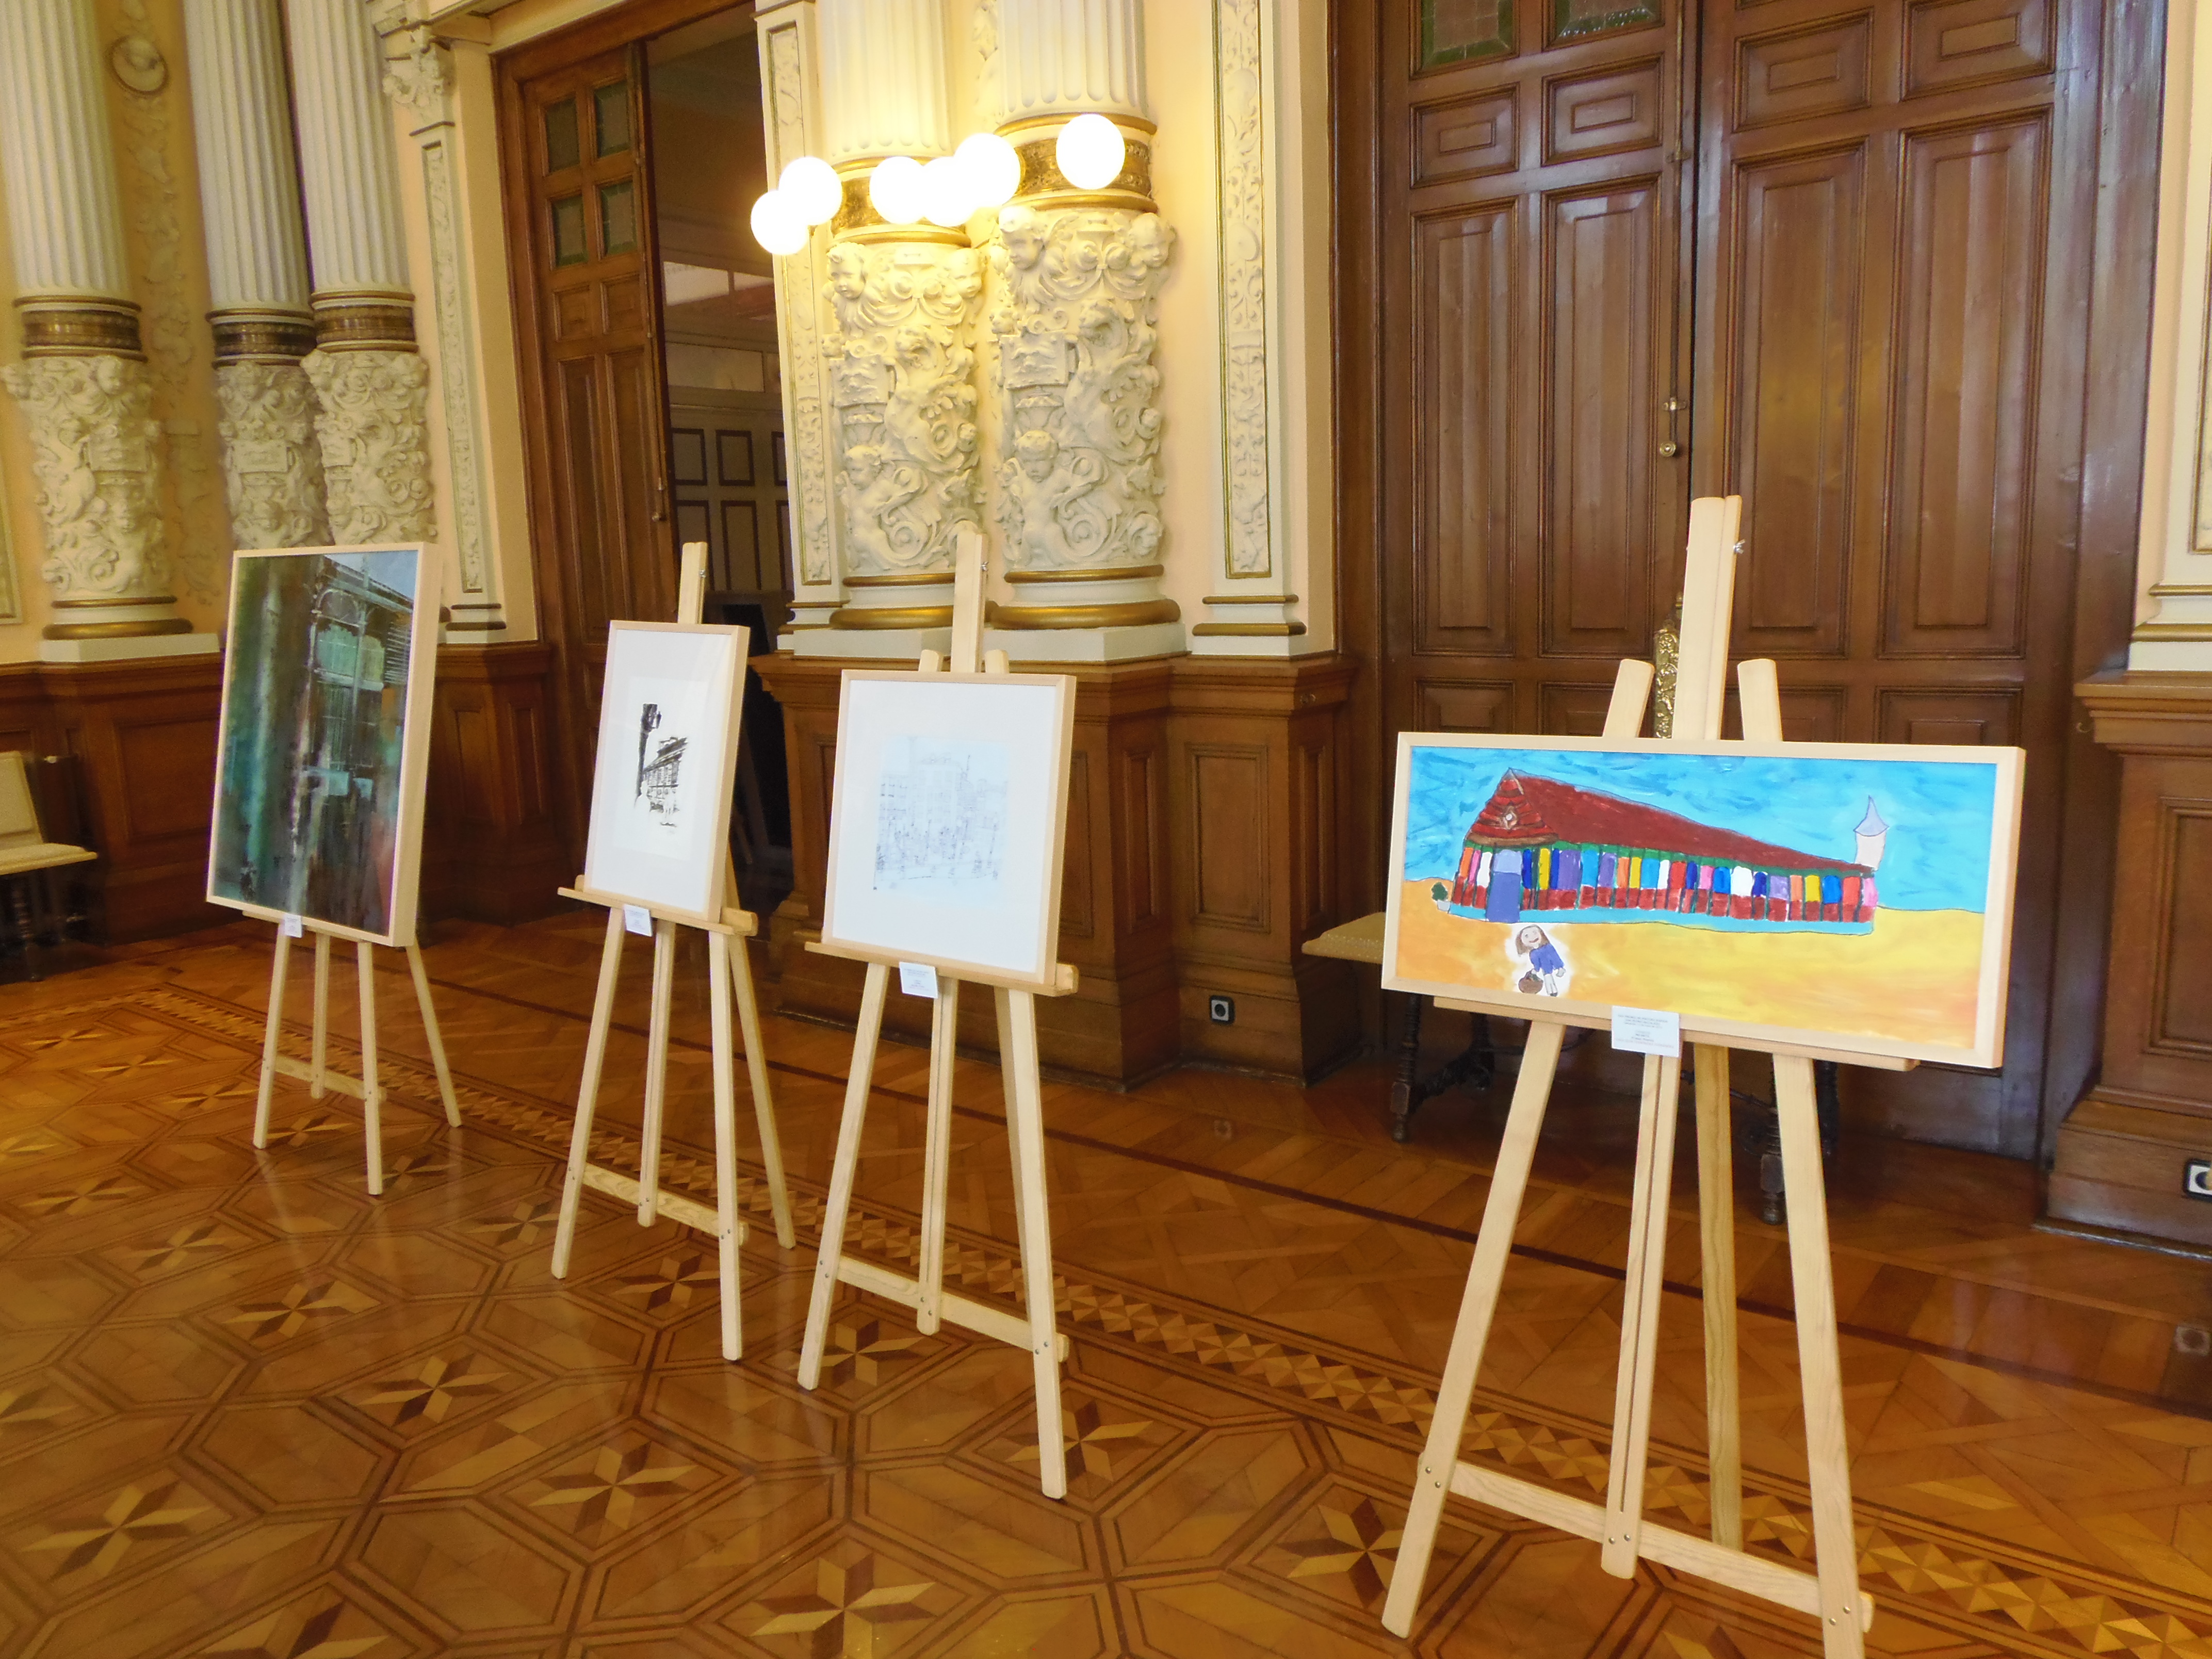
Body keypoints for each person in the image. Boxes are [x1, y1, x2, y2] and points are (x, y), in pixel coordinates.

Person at [1512, 924, 1568, 996]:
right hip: (1544, 970)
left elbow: (1555, 957)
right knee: (1548, 978)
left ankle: (1553, 992)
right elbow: (1537, 964)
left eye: (1535, 933)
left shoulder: (1548, 947)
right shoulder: (1533, 953)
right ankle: (1552, 992)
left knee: (1548, 978)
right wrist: (1536, 970)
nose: (1532, 937)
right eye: (1526, 936)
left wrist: (1559, 967)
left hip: (1549, 967)